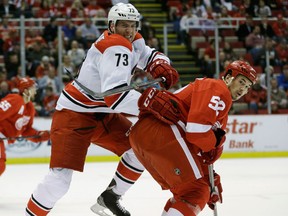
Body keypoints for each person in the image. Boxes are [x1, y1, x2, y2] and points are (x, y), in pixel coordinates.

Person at [25, 3, 178, 216]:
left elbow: (149, 55)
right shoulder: (115, 45)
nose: (129, 30)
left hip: (102, 112)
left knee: (140, 151)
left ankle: (110, 197)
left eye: (133, 25)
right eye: (124, 25)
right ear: (111, 25)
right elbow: (115, 97)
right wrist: (152, 104)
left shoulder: (134, 39)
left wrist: (161, 63)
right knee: (59, 180)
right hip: (75, 115)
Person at [129, 60, 257, 216]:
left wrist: (210, 178)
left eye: (247, 87)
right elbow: (196, 132)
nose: (243, 89)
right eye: (241, 82)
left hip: (145, 135)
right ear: (229, 77)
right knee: (196, 192)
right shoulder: (219, 90)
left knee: (186, 194)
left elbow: (202, 145)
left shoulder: (215, 95)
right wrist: (215, 142)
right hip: (162, 133)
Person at [0, 77, 50, 176]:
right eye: (33, 88)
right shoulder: (15, 99)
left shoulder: (30, 107)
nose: (35, 91)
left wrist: (38, 134)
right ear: (26, 91)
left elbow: (26, 130)